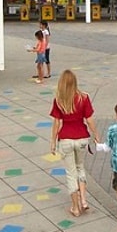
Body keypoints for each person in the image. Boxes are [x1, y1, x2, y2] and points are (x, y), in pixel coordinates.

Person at [48, 70, 100, 217]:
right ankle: (83, 200)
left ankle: (75, 207)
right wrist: (96, 135)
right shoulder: (84, 98)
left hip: (66, 139)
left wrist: (53, 142)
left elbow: (56, 123)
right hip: (82, 138)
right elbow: (89, 120)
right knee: (80, 167)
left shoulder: (59, 100)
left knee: (71, 173)